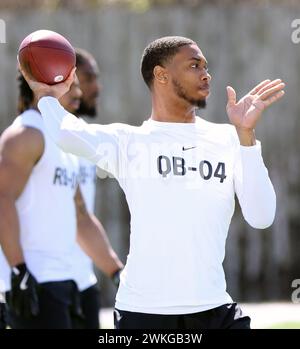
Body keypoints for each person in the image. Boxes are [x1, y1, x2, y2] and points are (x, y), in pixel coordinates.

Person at [20, 36, 284, 329]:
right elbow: (67, 132)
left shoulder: (229, 139)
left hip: (214, 309)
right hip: (143, 314)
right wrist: (46, 93)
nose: (206, 74)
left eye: (206, 67)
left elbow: (261, 217)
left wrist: (247, 136)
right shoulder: (128, 143)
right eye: (194, 65)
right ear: (161, 75)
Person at [0, 71, 123, 329]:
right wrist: (18, 271)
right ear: (43, 85)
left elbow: (81, 218)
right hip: (33, 283)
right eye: (71, 85)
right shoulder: (25, 135)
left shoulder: (61, 141)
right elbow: (2, 198)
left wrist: (117, 272)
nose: (78, 93)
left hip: (63, 282)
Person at [69, 48, 104, 329]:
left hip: (84, 281)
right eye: (89, 77)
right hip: (47, 287)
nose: (96, 88)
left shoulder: (84, 137)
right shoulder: (34, 136)